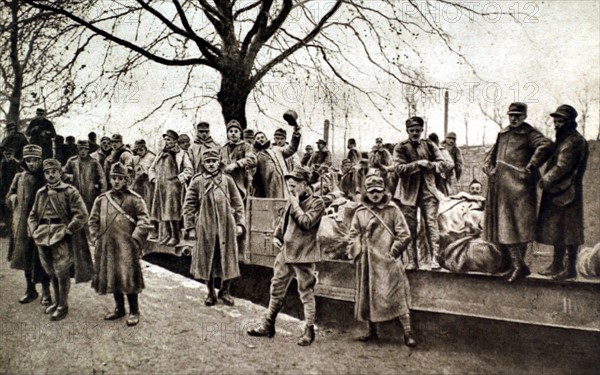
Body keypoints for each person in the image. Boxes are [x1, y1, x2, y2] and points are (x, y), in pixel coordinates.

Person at [247, 167, 325, 346]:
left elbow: (306, 223)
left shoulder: (317, 203)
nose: (291, 190)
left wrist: (295, 203)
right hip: (286, 252)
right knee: (276, 287)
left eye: (294, 186)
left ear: (305, 184)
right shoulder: (292, 199)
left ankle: (309, 330)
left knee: (306, 292)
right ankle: (268, 325)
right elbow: (284, 221)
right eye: (289, 187)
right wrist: (277, 235)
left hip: (304, 255)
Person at [483, 102, 553, 282]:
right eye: (511, 115)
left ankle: (519, 266)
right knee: (504, 227)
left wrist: (530, 166)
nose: (514, 119)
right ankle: (517, 266)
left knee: (518, 228)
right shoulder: (503, 133)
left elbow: (546, 145)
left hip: (520, 189)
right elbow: (492, 155)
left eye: (517, 115)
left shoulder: (529, 133)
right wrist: (488, 167)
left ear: (524, 117)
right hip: (501, 189)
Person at [346, 174, 416, 347]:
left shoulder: (393, 210)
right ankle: (372, 332)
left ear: (384, 191)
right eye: (371, 192)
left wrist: (393, 252)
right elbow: (353, 234)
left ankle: (407, 332)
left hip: (388, 262)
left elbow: (405, 234)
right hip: (368, 262)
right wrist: (357, 250)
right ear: (366, 193)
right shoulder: (360, 212)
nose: (375, 195)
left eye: (378, 191)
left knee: (397, 297)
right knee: (368, 297)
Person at [27, 158, 94, 321]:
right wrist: (33, 230)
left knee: (61, 271)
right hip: (42, 236)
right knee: (50, 271)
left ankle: (63, 305)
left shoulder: (70, 191)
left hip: (61, 236)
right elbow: (33, 215)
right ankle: (56, 302)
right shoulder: (40, 193)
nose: (50, 175)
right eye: (47, 173)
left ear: (60, 173)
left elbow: (82, 214)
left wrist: (68, 229)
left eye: (54, 172)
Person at [89, 162, 151, 326]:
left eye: (120, 178)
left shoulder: (135, 199)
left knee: (129, 279)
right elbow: (93, 220)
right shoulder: (102, 199)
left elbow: (144, 221)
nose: (116, 181)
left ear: (126, 180)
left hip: (127, 247)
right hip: (107, 246)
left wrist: (135, 239)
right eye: (113, 178)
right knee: (113, 277)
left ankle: (134, 311)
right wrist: (96, 237)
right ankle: (119, 308)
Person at [183, 149, 245, 306]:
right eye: (208, 161)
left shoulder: (227, 180)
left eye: (214, 161)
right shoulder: (197, 181)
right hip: (206, 226)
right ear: (203, 164)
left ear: (219, 162)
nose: (211, 164)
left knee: (228, 259)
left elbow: (238, 203)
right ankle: (210, 292)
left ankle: (225, 291)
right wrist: (190, 226)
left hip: (226, 226)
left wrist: (239, 223)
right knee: (207, 260)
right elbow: (189, 205)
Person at [536, 105, 589, 281]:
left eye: (560, 121)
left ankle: (570, 269)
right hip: (558, 191)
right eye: (555, 121)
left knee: (569, 231)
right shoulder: (563, 139)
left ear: (570, 122)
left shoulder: (573, 141)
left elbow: (563, 166)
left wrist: (546, 179)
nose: (556, 124)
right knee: (558, 229)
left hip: (568, 192)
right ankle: (557, 264)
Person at [391, 116, 446, 270]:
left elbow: (443, 164)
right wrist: (417, 164)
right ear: (407, 131)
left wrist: (431, 165)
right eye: (412, 130)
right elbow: (398, 169)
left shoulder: (429, 145)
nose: (415, 133)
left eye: (418, 130)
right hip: (408, 193)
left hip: (428, 190)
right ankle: (412, 260)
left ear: (422, 130)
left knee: (431, 224)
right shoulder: (400, 147)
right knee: (409, 228)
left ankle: (435, 258)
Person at [6, 145, 51, 305]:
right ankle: (30, 290)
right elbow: (9, 194)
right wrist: (11, 197)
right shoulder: (19, 177)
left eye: (35, 160)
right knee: (26, 259)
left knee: (43, 259)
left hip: (41, 225)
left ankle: (46, 292)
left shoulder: (46, 177)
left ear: (40, 161)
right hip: (23, 226)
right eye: (29, 161)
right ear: (24, 161)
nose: (32, 164)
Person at [148, 129, 193, 246]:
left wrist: (179, 180)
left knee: (173, 212)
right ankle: (167, 235)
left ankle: (175, 236)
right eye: (165, 139)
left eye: (169, 139)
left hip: (174, 188)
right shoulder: (160, 154)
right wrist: (154, 179)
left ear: (174, 141)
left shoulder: (181, 153)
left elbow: (189, 170)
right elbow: (151, 169)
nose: (166, 142)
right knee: (162, 212)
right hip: (161, 187)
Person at [252, 123, 301, 198]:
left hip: (282, 183)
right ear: (254, 141)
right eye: (258, 138)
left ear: (266, 138)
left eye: (262, 137)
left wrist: (296, 135)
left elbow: (292, 149)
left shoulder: (277, 149)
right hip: (265, 186)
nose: (260, 139)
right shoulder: (254, 154)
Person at [62, 140, 107, 212]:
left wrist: (102, 194)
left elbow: (102, 179)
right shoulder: (72, 161)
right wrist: (72, 178)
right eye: (81, 149)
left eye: (85, 149)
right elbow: (62, 174)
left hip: (91, 194)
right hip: (76, 192)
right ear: (77, 150)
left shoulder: (94, 162)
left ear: (88, 150)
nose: (83, 151)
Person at [220, 120, 257, 200]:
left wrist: (236, 164)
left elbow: (252, 160)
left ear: (240, 134)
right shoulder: (223, 148)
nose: (233, 133)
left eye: (236, 131)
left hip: (241, 182)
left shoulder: (246, 146)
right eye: (231, 131)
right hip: (225, 182)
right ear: (227, 134)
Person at [0, 146, 20, 232]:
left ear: (13, 154)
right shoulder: (3, 162)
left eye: (9, 154)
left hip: (12, 187)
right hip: (3, 187)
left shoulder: (15, 163)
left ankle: (9, 226)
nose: (7, 156)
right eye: (6, 154)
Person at [132, 139, 156, 208]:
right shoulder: (136, 158)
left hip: (148, 184)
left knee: (147, 202)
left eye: (141, 150)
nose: (139, 152)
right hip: (138, 184)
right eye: (137, 150)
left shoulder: (152, 157)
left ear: (145, 148)